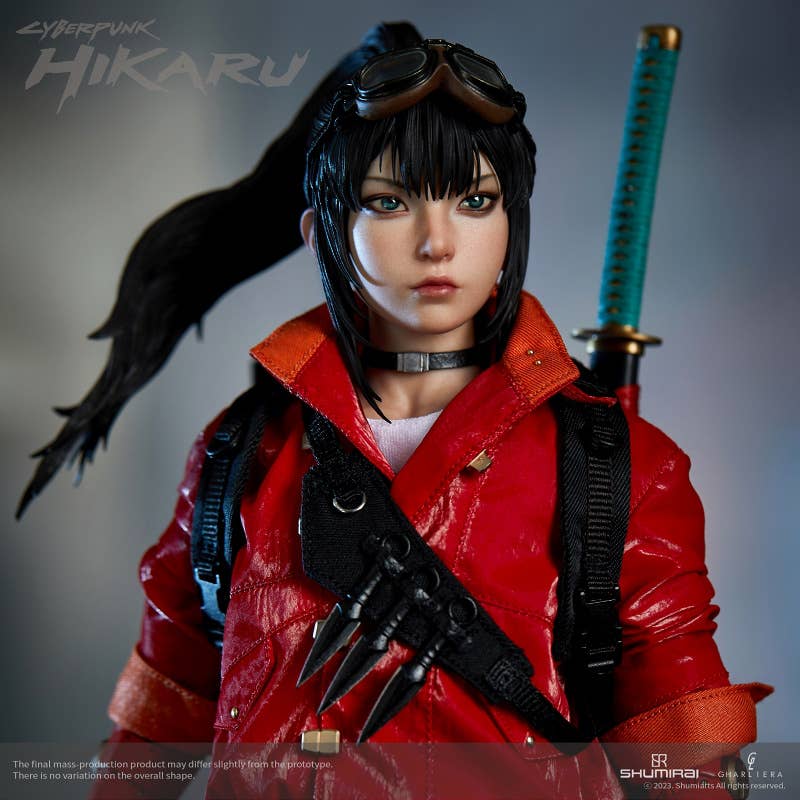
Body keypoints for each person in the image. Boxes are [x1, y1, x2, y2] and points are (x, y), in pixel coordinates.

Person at [21, 21, 768, 800]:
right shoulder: (240, 452)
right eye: (389, 202)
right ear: (324, 232)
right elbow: (154, 729)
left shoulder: (618, 469)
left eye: (474, 200)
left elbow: (685, 754)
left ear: (512, 223)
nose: (437, 241)